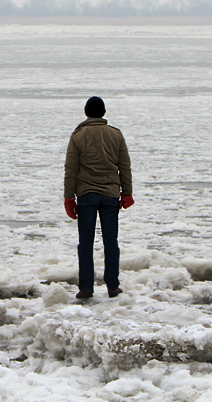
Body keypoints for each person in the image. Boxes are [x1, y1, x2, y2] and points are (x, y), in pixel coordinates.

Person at [63, 96, 133, 299]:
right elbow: (124, 166)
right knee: (111, 241)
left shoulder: (78, 136)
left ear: (86, 113)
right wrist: (127, 192)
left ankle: (86, 288)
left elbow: (71, 169)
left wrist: (69, 197)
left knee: (85, 242)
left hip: (86, 194)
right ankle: (112, 286)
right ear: (103, 113)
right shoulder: (116, 135)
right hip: (110, 194)